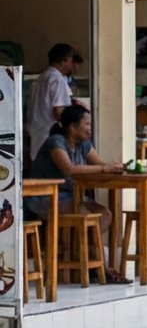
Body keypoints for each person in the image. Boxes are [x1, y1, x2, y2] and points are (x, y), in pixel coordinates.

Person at [26, 104, 129, 283]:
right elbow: (69, 169)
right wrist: (105, 169)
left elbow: (99, 163)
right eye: (86, 124)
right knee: (90, 218)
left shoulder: (84, 144)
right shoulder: (56, 142)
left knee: (104, 214)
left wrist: (116, 168)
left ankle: (85, 260)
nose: (90, 128)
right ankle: (101, 269)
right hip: (47, 196)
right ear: (72, 127)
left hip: (73, 196)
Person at [26, 43, 80, 163]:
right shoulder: (57, 79)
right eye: (71, 61)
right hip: (50, 137)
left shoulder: (41, 79)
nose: (71, 66)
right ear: (65, 60)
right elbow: (59, 111)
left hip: (36, 136)